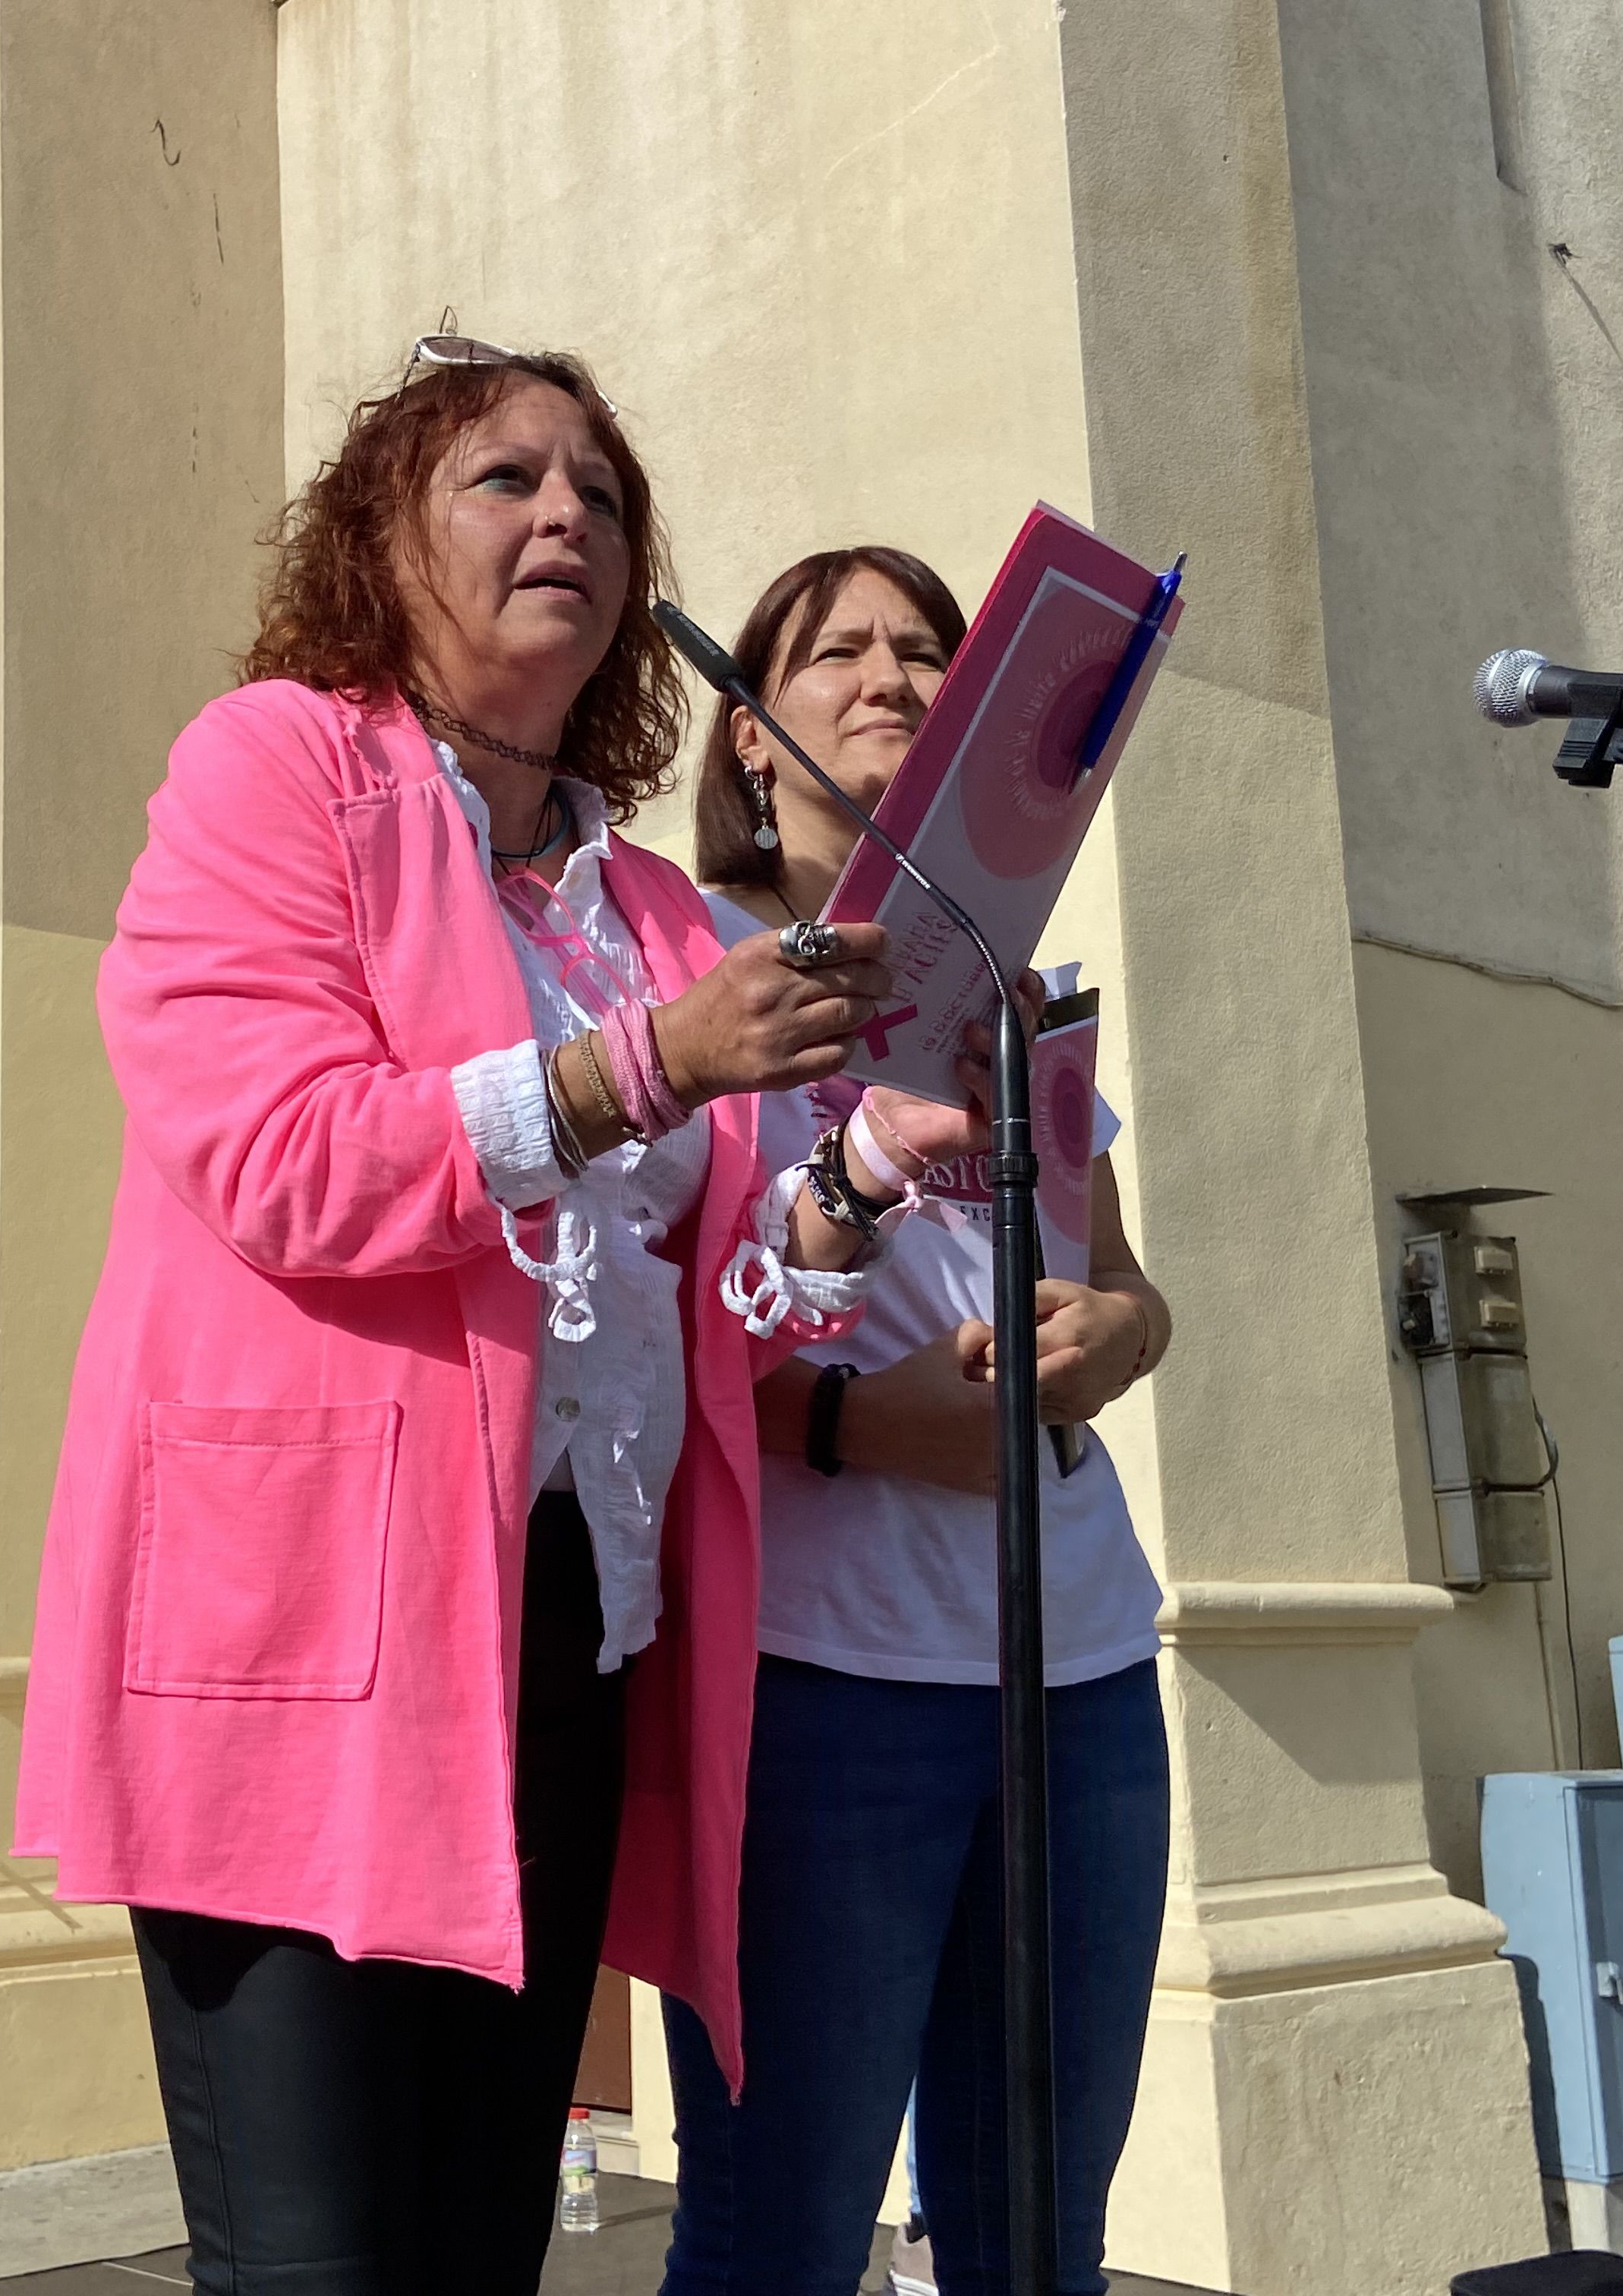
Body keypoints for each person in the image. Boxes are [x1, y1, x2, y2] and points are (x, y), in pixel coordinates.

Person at [14, 352, 994, 2295]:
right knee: (320, 2266)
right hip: (301, 1638)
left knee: (477, 2254)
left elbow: (710, 1301)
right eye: (504, 479)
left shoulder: (648, 902)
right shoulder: (277, 766)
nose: (566, 517)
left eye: (604, 498)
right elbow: (283, 1157)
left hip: (565, 1637)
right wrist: (647, 1069)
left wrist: (861, 1181)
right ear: (387, 540)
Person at [661, 547, 1177, 2296]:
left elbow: (1133, 1289)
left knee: (1040, 2239)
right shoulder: (690, 975)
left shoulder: (1015, 990)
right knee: (776, 2247)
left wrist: (1109, 1339)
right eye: (841, 653)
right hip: (825, 1693)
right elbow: (644, 1348)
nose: (893, 676)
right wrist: (861, 1430)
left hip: (1082, 1673)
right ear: (747, 737)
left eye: (930, 653)